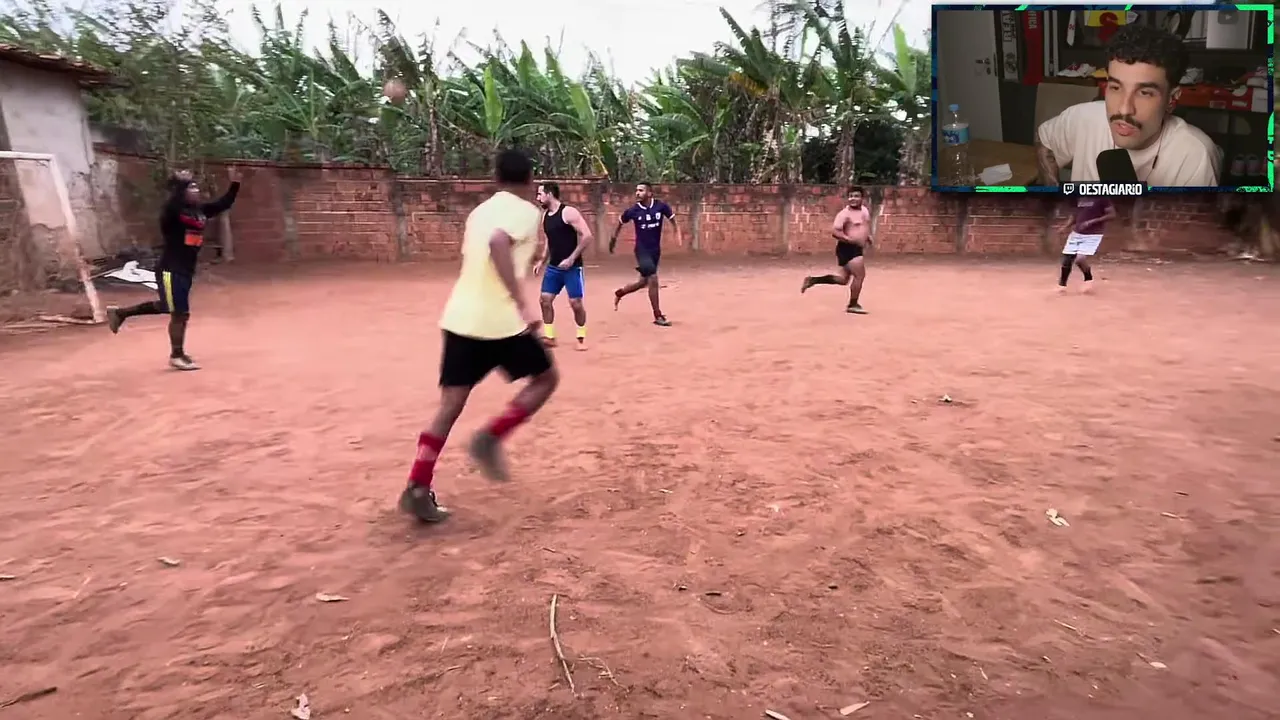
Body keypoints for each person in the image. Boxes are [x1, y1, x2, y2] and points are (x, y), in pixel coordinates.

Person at [399, 148, 559, 524]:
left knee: (450, 406)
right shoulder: (526, 212)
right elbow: (498, 243)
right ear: (529, 179)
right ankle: (491, 437)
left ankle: (418, 486)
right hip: (500, 323)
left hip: (460, 319)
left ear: (496, 177)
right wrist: (522, 304)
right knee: (546, 379)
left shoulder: (479, 212)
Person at [1035, 24, 1220, 187]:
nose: (1124, 109)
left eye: (1144, 93)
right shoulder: (1083, 118)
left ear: (1171, 99)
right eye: (1116, 88)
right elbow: (1044, 141)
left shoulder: (1195, 155)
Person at [105, 167, 241, 370]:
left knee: (169, 306)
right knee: (179, 312)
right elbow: (173, 201)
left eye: (196, 187)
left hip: (186, 269)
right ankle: (177, 355)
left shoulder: (200, 211)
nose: (195, 190)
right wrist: (179, 181)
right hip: (170, 269)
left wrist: (235, 184)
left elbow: (223, 204)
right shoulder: (172, 212)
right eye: (190, 187)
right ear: (181, 192)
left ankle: (120, 313)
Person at [608, 182, 681, 327]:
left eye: (641, 190)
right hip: (641, 250)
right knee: (653, 278)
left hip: (655, 250)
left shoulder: (661, 206)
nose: (637, 193)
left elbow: (673, 220)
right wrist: (613, 240)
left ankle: (620, 293)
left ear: (649, 193)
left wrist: (677, 233)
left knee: (643, 282)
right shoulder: (633, 210)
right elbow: (620, 222)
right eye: (636, 190)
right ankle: (658, 315)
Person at [532, 181, 593, 350]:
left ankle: (581, 338)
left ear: (549, 194)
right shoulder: (545, 216)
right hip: (554, 267)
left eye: (540, 194)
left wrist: (572, 258)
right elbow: (549, 240)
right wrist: (541, 261)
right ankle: (550, 337)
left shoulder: (568, 212)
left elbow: (587, 236)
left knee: (576, 303)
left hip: (572, 268)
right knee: (545, 300)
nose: (538, 198)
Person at [800, 185, 872, 314]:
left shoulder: (864, 211)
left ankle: (813, 280)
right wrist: (850, 240)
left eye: (856, 196)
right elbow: (835, 232)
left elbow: (863, 225)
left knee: (843, 280)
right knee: (860, 275)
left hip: (857, 247)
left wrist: (867, 237)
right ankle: (853, 304)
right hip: (848, 248)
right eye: (850, 196)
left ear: (862, 198)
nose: (853, 199)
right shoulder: (844, 214)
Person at [1056, 196, 1116, 293]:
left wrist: (1092, 221)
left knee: (1080, 259)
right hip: (1077, 233)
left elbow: (1112, 215)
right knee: (1067, 259)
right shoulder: (1079, 198)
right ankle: (1062, 285)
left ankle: (1088, 279)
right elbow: (1074, 215)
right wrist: (1065, 227)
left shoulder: (1102, 198)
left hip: (1093, 234)